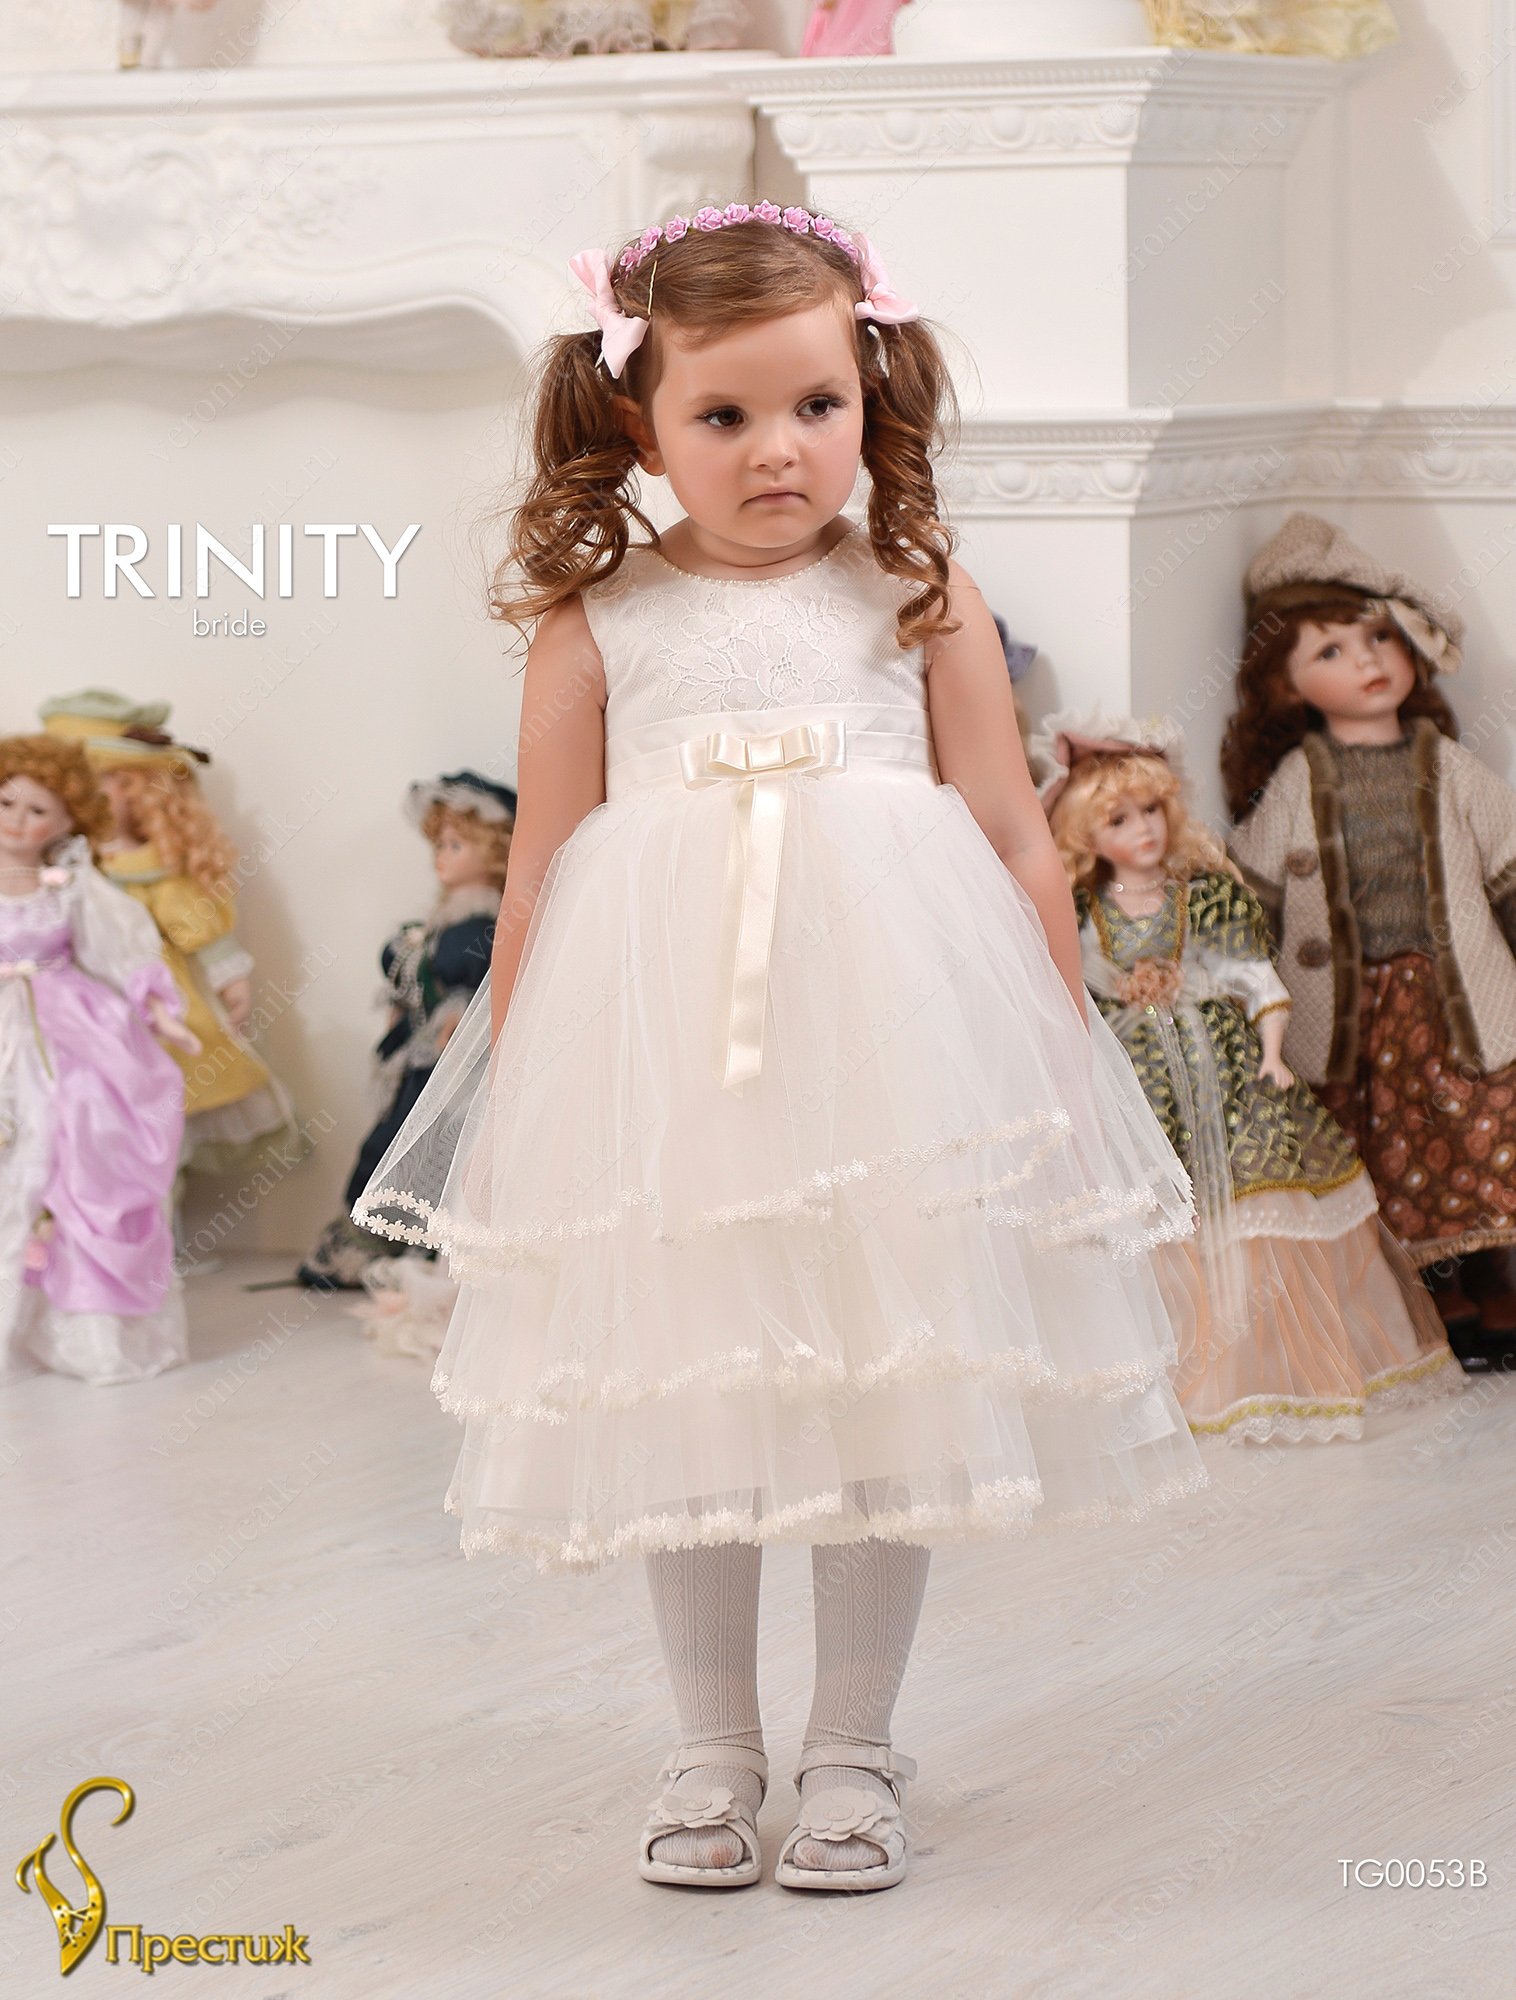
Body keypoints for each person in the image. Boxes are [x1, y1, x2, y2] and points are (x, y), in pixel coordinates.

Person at [356, 202, 1203, 1893]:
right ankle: (711, 1745)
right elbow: (542, 873)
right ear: (636, 423)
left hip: (893, 1057)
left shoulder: (918, 596)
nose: (778, 450)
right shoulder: (598, 622)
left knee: (882, 1384)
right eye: (725, 415)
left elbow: (1014, 838)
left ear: (869, 396)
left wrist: (1055, 1040)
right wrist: (523, 1094)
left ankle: (853, 1744)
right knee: (696, 1389)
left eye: (817, 406)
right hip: (672, 1064)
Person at [1039, 709, 1456, 1442]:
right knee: (1158, 1214)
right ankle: (1170, 1375)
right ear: (1086, 836)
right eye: (1118, 820)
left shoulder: (1205, 896)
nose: (1143, 830)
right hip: (1138, 1079)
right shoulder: (1081, 911)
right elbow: (1074, 993)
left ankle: (1258, 1368)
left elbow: (1256, 979)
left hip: (1222, 1068)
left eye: (1151, 811)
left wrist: (1271, 1053)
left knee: (1251, 1205)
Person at [1224, 513, 1516, 1369]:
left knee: (1476, 1131)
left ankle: (1493, 1275)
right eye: (1331, 651)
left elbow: (1506, 861)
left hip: (1454, 1000)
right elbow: (1253, 888)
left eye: (1380, 637)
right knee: (1383, 1145)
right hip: (1354, 1015)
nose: (1368, 662)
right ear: (1286, 686)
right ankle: (1426, 1288)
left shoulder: (1449, 766)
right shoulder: (1298, 780)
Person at [0, 736, 197, 1384]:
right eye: (7, 803)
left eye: (37, 811)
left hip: (63, 1022)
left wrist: (159, 1011)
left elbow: (117, 948)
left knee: (78, 1136)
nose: (17, 821)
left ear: (66, 822)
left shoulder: (68, 884)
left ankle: (78, 1326)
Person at [40, 690, 298, 1182]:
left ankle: (157, 1213)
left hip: (147, 1002)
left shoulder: (145, 865)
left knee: (152, 1111)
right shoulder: (57, 863)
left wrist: (229, 974)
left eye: (93, 782)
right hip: (71, 1002)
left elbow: (192, 920)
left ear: (133, 788)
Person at [299, 771, 511, 1290]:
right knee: (392, 1139)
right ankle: (380, 1236)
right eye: (439, 844)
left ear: (494, 852)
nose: (442, 855)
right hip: (422, 1059)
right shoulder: (441, 922)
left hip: (454, 1067)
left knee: (434, 1146)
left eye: (456, 845)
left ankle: (426, 1244)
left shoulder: (482, 925)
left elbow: (478, 986)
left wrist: (457, 1019)